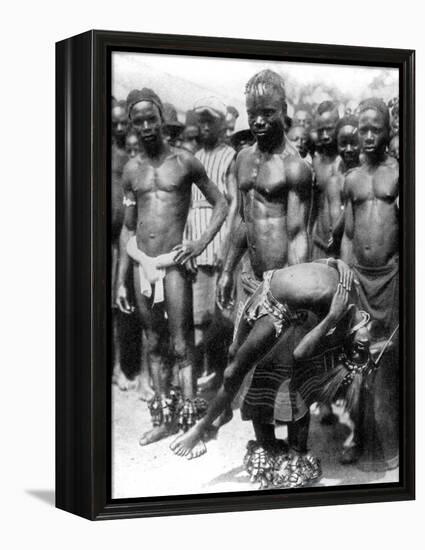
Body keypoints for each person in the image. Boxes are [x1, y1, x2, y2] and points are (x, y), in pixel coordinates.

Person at [171, 261, 373, 489]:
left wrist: (331, 317)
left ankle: (200, 428)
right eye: (362, 347)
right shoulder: (349, 293)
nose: (363, 343)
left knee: (233, 371)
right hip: (269, 283)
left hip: (277, 306)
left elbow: (299, 353)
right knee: (232, 355)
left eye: (360, 348)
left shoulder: (341, 317)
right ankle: (221, 414)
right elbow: (324, 265)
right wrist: (336, 263)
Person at [116, 88, 228, 446]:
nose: (147, 126)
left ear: (162, 118)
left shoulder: (184, 162)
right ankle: (164, 418)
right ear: (132, 125)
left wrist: (198, 244)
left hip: (173, 265)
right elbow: (129, 227)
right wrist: (120, 279)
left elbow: (221, 203)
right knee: (153, 342)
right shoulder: (132, 171)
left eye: (152, 119)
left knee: (181, 343)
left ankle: (191, 421)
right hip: (141, 265)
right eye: (139, 121)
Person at [216, 69, 312, 458]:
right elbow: (241, 221)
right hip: (248, 280)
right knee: (251, 366)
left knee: (289, 367)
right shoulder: (242, 159)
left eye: (267, 112)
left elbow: (297, 234)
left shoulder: (295, 166)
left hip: (282, 284)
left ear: (283, 112)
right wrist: (225, 269)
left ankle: (299, 451)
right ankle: (269, 447)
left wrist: (293, 291)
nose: (258, 120)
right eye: (252, 112)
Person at [341, 97, 399, 468]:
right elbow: (347, 235)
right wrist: (345, 282)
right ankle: (356, 435)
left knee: (389, 360)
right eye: (362, 128)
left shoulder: (400, 173)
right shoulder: (352, 178)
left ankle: (392, 443)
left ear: (388, 131)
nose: (367, 136)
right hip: (359, 277)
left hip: (391, 277)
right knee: (357, 357)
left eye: (375, 128)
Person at [186, 97, 238, 384]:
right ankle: (194, 378)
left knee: (220, 318)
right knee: (197, 317)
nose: (205, 126)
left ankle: (220, 377)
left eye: (211, 121)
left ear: (220, 125)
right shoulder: (193, 156)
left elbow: (233, 205)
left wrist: (226, 243)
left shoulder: (229, 156)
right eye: (201, 121)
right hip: (195, 241)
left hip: (217, 242)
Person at [111, 100, 143, 392]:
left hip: (133, 239)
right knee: (112, 304)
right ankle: (114, 367)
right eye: (115, 123)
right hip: (110, 240)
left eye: (124, 123)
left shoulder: (138, 158)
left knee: (131, 308)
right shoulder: (104, 151)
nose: (120, 128)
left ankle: (128, 367)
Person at [311, 101, 343, 259]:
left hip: (344, 242)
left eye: (329, 129)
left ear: (338, 125)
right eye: (320, 130)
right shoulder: (315, 162)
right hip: (319, 241)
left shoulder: (349, 160)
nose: (324, 135)